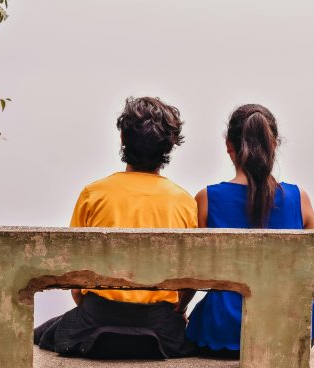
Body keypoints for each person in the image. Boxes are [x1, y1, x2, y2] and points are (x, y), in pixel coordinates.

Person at [34, 96, 198, 359]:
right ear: (169, 147)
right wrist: (177, 313)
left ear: (122, 138)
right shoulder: (184, 202)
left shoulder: (93, 194)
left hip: (98, 317)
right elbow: (190, 280)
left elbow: (75, 280)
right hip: (159, 325)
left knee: (42, 333)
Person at [185, 104, 314, 358]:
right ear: (274, 144)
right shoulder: (299, 198)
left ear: (229, 145)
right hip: (291, 325)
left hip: (225, 328)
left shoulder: (207, 199)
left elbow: (191, 273)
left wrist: (179, 309)